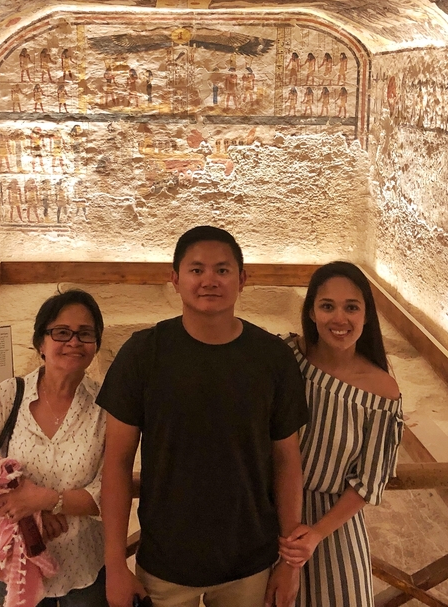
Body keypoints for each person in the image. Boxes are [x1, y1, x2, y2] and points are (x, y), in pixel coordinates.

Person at [97, 226, 309, 607]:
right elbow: (116, 463)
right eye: (196, 270)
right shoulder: (143, 355)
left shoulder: (272, 358)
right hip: (165, 565)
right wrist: (115, 563)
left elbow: (286, 461)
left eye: (222, 270)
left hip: (250, 564)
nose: (209, 280)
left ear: (242, 279)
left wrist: (289, 564)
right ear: (175, 279)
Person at [0, 289, 109, 606]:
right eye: (61, 332)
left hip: (84, 566)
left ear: (95, 345)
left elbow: (106, 493)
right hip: (16, 566)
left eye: (85, 334)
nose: (74, 342)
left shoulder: (105, 406)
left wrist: (48, 500)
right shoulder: (9, 396)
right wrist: (31, 510)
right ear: (41, 343)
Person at [277, 262, 404, 607]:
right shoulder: (286, 358)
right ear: (311, 312)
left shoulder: (381, 392)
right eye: (327, 306)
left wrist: (316, 533)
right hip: (272, 513)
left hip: (334, 528)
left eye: (351, 307)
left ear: (366, 315)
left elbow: (369, 479)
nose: (339, 319)